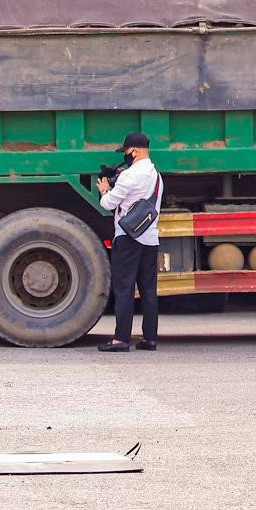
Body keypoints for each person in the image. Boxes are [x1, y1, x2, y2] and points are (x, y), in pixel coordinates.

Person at [96, 132, 162, 352]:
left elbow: (108, 204)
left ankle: (121, 339)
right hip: (150, 239)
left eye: (125, 152)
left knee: (124, 288)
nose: (125, 156)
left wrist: (105, 190)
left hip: (128, 238)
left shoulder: (129, 176)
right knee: (148, 290)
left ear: (134, 151)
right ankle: (150, 339)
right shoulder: (157, 177)